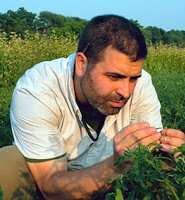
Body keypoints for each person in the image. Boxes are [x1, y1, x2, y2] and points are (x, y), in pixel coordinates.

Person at [1, 14, 184, 200]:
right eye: (114, 77)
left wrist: (171, 158)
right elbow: (50, 188)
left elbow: (149, 157)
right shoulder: (38, 88)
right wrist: (117, 165)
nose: (126, 92)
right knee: (7, 164)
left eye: (133, 79)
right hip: (57, 180)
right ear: (82, 64)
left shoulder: (142, 83)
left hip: (112, 185)